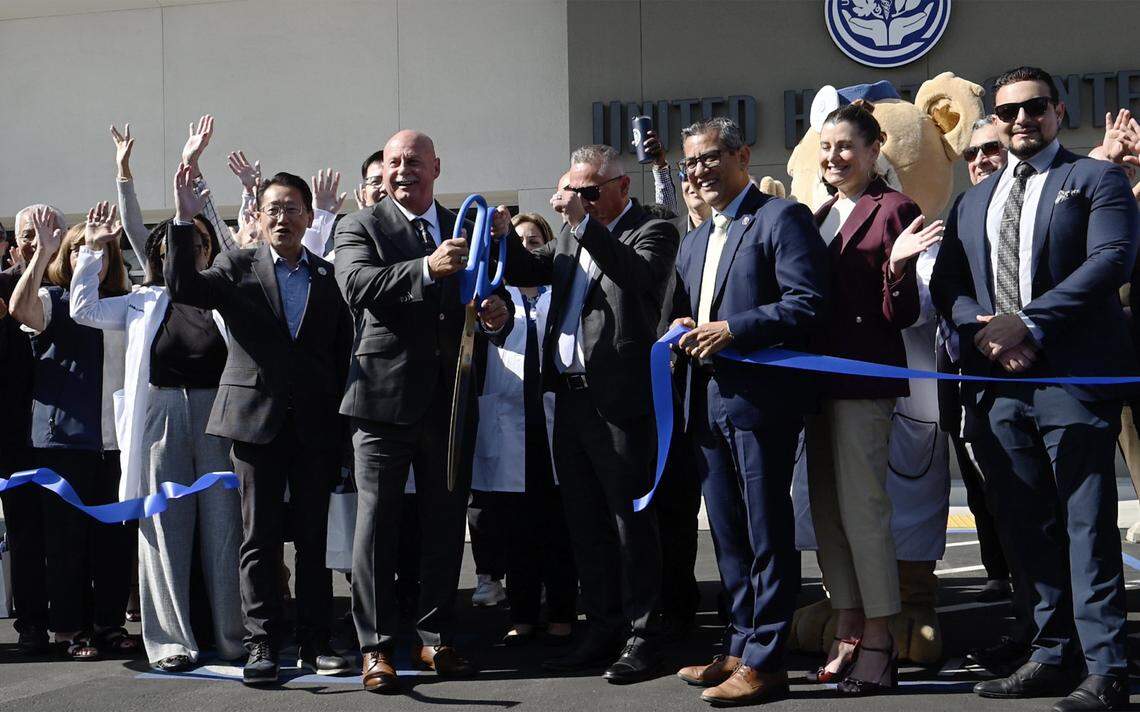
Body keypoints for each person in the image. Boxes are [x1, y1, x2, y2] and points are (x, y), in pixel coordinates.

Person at [931, 66, 1138, 712]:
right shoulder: (975, 199)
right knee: (1026, 530)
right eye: (1010, 111)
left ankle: (1106, 669)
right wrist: (984, 330)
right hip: (997, 388)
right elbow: (948, 285)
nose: (1022, 120)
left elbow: (1111, 262)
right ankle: (1052, 654)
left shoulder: (1095, 180)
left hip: (1072, 383)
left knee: (1087, 530)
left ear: (1057, 111)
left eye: (1035, 108)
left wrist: (1032, 323)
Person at [334, 129, 510, 693]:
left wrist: (495, 313)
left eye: (413, 161)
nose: (401, 170)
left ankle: (436, 638)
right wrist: (425, 268)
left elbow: (490, 289)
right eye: (391, 162)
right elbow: (356, 284)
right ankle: (377, 646)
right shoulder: (360, 223)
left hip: (452, 398)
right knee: (377, 526)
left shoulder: (469, 224)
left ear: (437, 167)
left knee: (443, 522)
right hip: (382, 399)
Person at [496, 143, 679, 684]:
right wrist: (503, 240)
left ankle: (643, 634)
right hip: (571, 399)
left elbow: (639, 278)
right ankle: (600, 626)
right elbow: (533, 268)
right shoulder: (575, 240)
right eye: (572, 190)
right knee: (585, 524)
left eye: (590, 191)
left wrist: (582, 224)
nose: (579, 201)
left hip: (620, 401)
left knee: (630, 522)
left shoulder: (651, 227)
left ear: (622, 186)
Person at [164, 164, 354, 684]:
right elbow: (183, 286)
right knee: (259, 539)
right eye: (273, 209)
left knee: (314, 538)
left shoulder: (328, 275)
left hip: (315, 425)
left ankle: (317, 640)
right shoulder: (236, 265)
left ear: (309, 217)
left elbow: (339, 354)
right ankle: (262, 643)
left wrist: (341, 424)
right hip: (254, 423)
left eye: (293, 208)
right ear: (260, 216)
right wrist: (183, 219)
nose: (282, 217)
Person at [66, 125, 245, 672]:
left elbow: (219, 232)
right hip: (163, 414)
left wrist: (197, 176)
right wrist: (94, 252)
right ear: (157, 256)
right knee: (165, 529)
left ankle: (234, 637)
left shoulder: (226, 290)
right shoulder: (142, 299)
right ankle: (171, 642)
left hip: (220, 412)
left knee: (224, 528)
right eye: (169, 247)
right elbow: (83, 309)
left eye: (195, 245)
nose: (183, 253)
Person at [665, 117, 827, 705]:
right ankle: (737, 645)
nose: (701, 171)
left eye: (711, 158)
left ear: (742, 156)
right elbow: (688, 311)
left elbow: (807, 303)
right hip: (704, 402)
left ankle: (767, 660)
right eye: (692, 163)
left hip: (760, 401)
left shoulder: (781, 219)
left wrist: (735, 329)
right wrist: (686, 327)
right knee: (729, 537)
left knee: (765, 532)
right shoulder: (695, 237)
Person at [806, 101, 941, 695]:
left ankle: (882, 638)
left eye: (845, 147)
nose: (834, 157)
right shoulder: (812, 217)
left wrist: (900, 267)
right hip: (814, 382)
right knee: (827, 513)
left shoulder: (894, 209)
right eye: (826, 147)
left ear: (873, 149)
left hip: (864, 381)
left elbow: (904, 315)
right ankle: (849, 624)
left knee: (864, 510)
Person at [9, 206, 137, 661]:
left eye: (102, 250)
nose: (94, 258)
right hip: (62, 444)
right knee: (65, 544)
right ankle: (68, 630)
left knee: (115, 540)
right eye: (83, 249)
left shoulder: (126, 305)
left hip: (116, 442)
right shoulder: (54, 299)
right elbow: (18, 308)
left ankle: (108, 624)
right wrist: (42, 252)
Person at [470, 212, 578, 645]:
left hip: (556, 423)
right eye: (518, 242)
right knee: (516, 531)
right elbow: (486, 337)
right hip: (510, 423)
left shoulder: (564, 289)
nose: (527, 248)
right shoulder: (495, 291)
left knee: (559, 529)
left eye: (535, 241)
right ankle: (524, 614)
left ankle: (563, 614)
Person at [941, 117, 1015, 606]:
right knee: (983, 487)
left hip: (1038, 377)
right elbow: (948, 288)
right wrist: (978, 326)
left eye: (990, 149)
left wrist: (1022, 328)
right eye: (970, 154)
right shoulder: (962, 210)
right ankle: (999, 572)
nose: (980, 160)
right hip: (971, 374)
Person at [0, 204, 67, 655]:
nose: (35, 239)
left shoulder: (71, 288)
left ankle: (50, 622)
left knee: (48, 531)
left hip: (49, 431)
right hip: (8, 430)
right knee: (23, 530)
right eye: (28, 232)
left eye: (46, 231)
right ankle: (31, 623)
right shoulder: (6, 286)